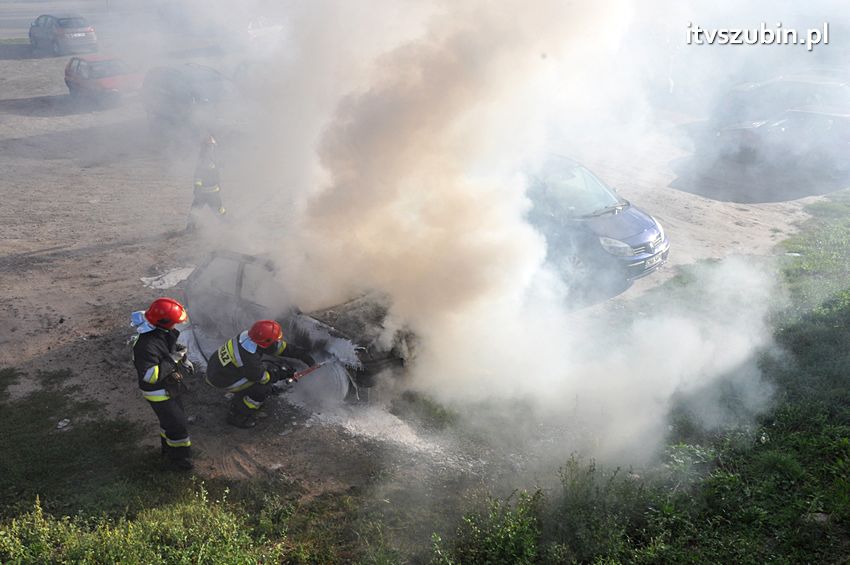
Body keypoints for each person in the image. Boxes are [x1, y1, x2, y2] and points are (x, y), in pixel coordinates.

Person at [205, 320, 316, 428]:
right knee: (261, 390)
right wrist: (279, 374)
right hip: (221, 379)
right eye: (275, 340)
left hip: (220, 369)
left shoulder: (250, 338)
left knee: (268, 367)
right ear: (266, 342)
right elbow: (260, 377)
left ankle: (243, 394)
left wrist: (303, 356)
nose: (277, 341)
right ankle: (238, 415)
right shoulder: (249, 358)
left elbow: (278, 347)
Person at [130, 297, 195, 470]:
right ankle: (180, 462)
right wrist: (174, 360)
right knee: (177, 426)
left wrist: (182, 359)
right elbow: (150, 376)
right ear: (164, 322)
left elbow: (168, 350)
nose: (176, 326)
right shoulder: (146, 345)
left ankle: (168, 451)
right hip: (158, 392)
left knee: (170, 422)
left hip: (168, 387)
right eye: (174, 322)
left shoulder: (159, 331)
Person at [187, 134, 226, 231]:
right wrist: (198, 187)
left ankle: (190, 227)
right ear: (207, 147)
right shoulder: (205, 159)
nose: (212, 149)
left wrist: (218, 165)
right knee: (219, 210)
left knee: (195, 210)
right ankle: (227, 223)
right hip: (210, 192)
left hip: (204, 193)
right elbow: (199, 175)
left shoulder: (206, 158)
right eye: (211, 147)